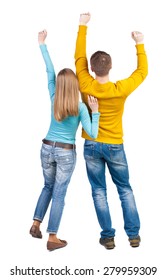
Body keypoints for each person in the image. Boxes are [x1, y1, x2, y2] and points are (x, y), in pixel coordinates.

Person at [75, 13, 148, 249]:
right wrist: (139, 43)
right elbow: (142, 72)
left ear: (92, 69)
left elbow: (78, 58)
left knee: (98, 190)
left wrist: (82, 26)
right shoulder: (121, 89)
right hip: (115, 145)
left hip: (91, 144)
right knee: (124, 188)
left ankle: (108, 236)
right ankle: (133, 235)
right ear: (111, 67)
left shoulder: (85, 84)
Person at [29, 30, 100, 251]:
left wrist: (42, 44)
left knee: (47, 186)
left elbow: (50, 72)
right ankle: (52, 237)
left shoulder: (54, 99)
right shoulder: (80, 107)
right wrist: (95, 111)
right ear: (75, 85)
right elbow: (93, 133)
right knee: (59, 192)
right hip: (65, 153)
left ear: (60, 85)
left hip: (46, 147)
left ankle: (35, 223)